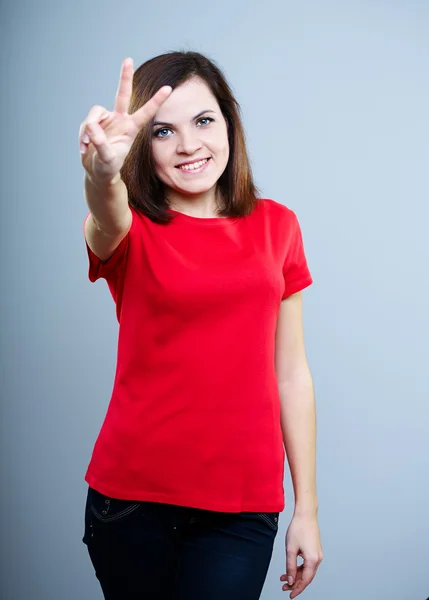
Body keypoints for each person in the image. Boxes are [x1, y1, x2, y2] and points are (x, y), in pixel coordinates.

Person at [79, 51, 323, 600]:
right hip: (131, 501)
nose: (189, 145)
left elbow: (292, 375)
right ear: (144, 143)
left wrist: (306, 508)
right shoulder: (130, 227)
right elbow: (106, 212)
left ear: (228, 123)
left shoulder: (277, 226)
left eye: (204, 121)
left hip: (241, 506)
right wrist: (101, 173)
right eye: (164, 130)